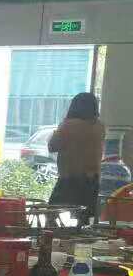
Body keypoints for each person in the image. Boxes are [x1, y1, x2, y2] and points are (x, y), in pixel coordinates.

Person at [48, 92, 105, 223]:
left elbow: (52, 146)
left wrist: (58, 130)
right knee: (84, 219)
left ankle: (54, 235)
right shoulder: (100, 127)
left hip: (70, 178)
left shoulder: (68, 125)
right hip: (92, 180)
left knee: (51, 213)